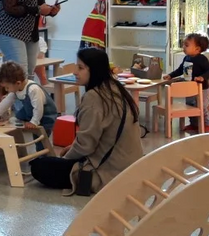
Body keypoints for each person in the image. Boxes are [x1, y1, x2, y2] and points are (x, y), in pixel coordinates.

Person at [30, 48, 143, 195]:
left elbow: (86, 145)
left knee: (38, 166)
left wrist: (65, 159)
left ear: (94, 69)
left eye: (81, 68)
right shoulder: (116, 88)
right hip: (131, 167)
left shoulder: (94, 97)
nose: (76, 72)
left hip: (108, 173)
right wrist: (73, 147)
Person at [0, 61, 58, 135]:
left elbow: (38, 108)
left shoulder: (33, 89)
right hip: (30, 112)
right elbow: (7, 101)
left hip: (45, 116)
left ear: (18, 83)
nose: (6, 90)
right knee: (18, 116)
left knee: (39, 137)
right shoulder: (16, 89)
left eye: (7, 87)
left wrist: (34, 122)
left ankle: (41, 145)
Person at [163, 33, 209, 134]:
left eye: (186, 45)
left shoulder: (201, 59)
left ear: (197, 49)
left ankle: (207, 124)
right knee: (190, 106)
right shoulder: (186, 58)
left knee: (201, 107)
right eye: (183, 45)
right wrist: (171, 75)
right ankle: (194, 124)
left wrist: (202, 77)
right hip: (189, 89)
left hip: (202, 89)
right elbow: (180, 70)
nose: (183, 47)